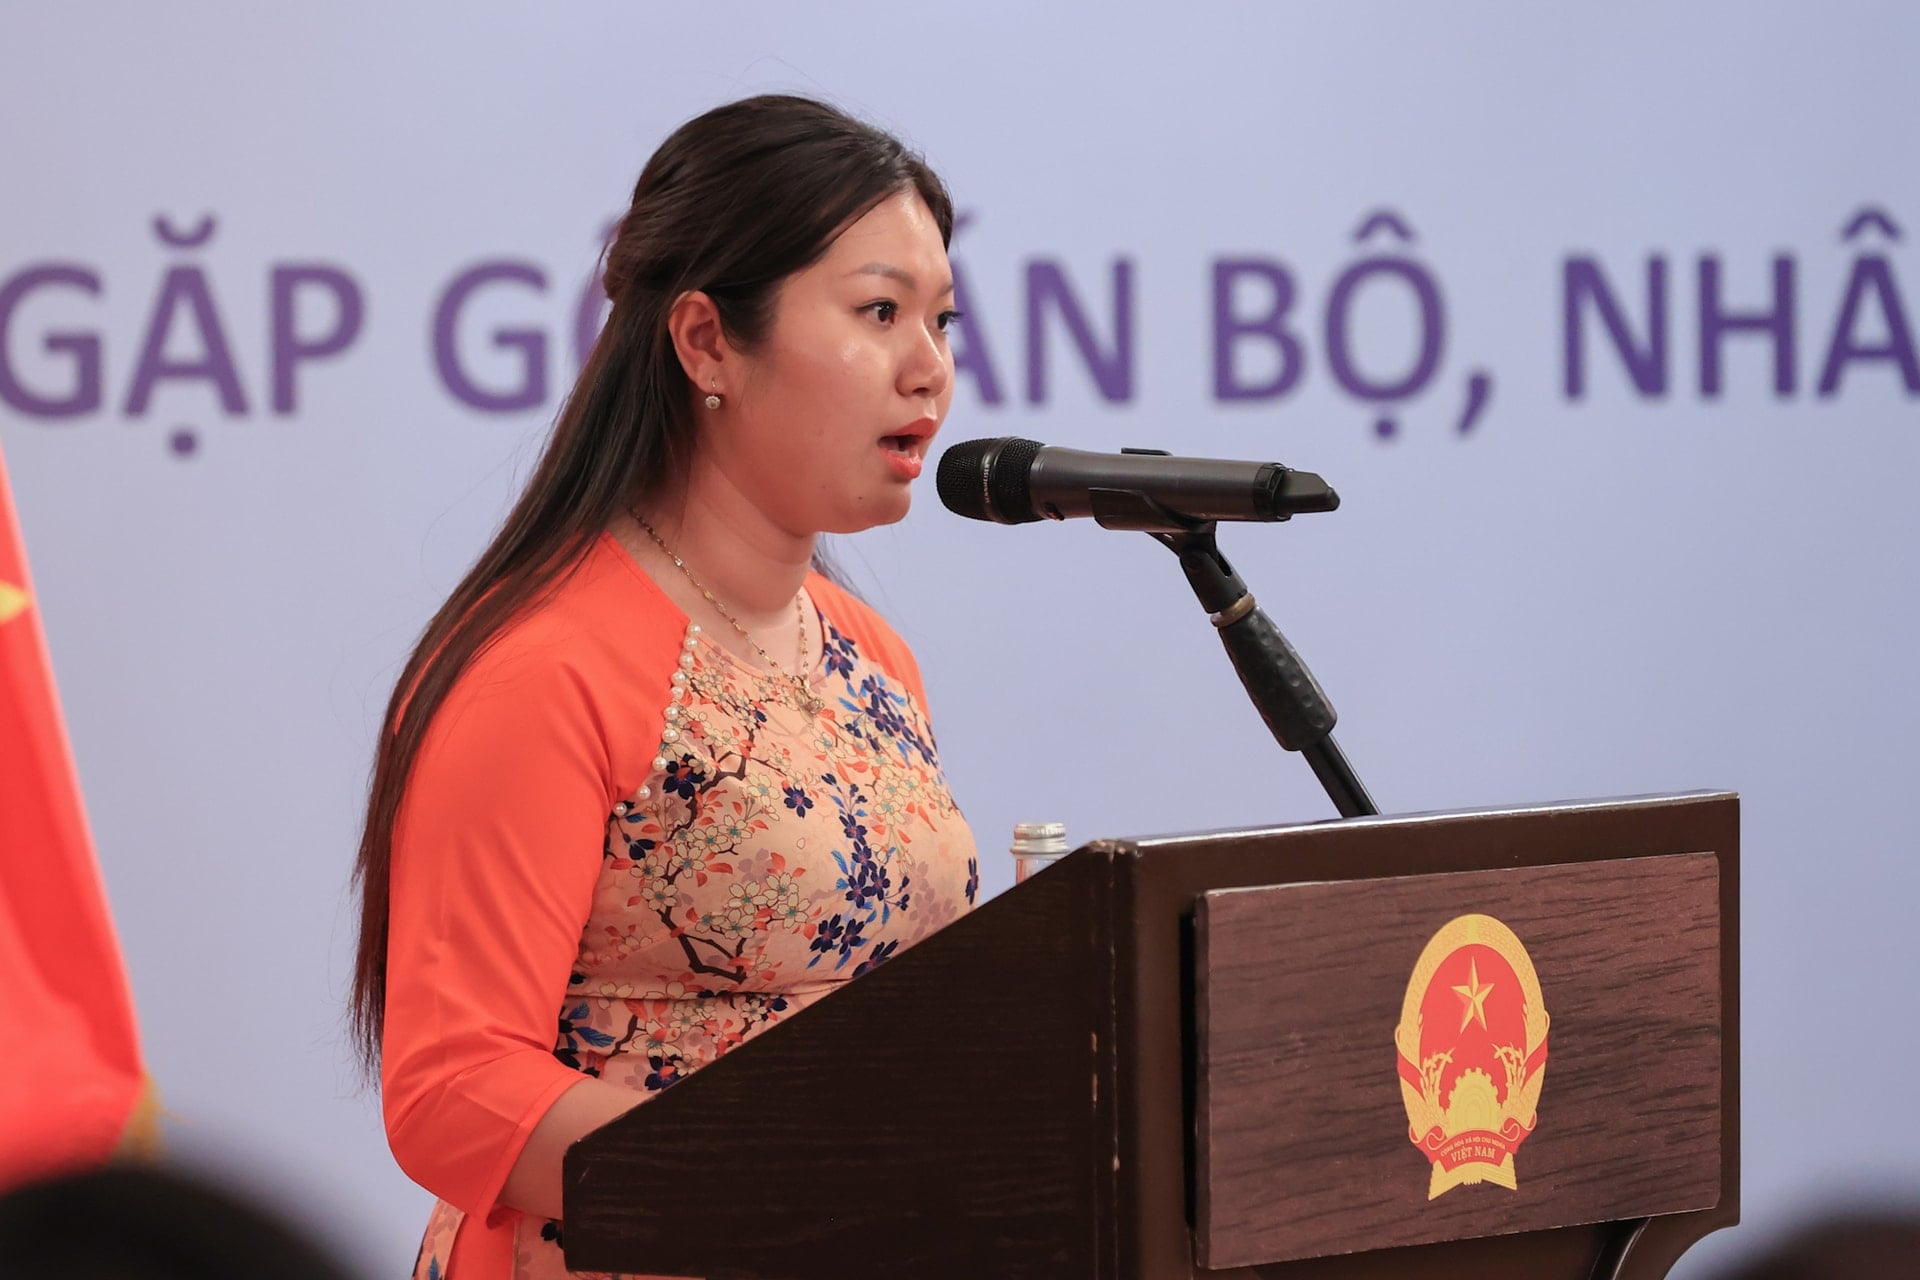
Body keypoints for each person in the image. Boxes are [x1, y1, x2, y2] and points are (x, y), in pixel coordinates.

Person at [349, 95, 980, 1280]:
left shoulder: (873, 654)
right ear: (705, 342)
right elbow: (453, 1085)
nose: (929, 367)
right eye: (880, 312)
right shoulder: (539, 667)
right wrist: (794, 1185)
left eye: (942, 319)